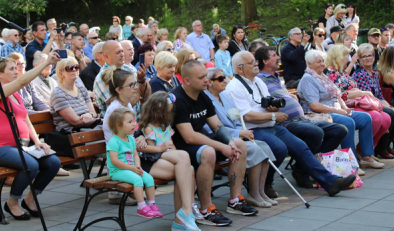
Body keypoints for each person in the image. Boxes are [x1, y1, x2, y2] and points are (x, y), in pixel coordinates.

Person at [224, 52, 359, 200]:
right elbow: (247, 116)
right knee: (280, 148)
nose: (256, 64)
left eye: (255, 61)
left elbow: (266, 103)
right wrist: (274, 115)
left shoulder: (257, 82)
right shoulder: (235, 87)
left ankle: (330, 182)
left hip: (271, 125)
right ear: (240, 69)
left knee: (301, 146)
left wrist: (274, 108)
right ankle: (263, 185)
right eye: (251, 63)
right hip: (253, 129)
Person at [102, 70, 200, 229]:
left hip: (140, 156)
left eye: (135, 83)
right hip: (129, 162)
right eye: (131, 84)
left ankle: (184, 216)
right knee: (185, 169)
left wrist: (139, 134)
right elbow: (122, 141)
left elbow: (134, 131)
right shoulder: (115, 110)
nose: (135, 87)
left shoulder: (126, 105)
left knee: (184, 163)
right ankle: (184, 215)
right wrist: (138, 136)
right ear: (119, 89)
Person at [170, 60, 257, 227]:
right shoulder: (179, 99)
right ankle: (206, 209)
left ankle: (235, 200)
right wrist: (221, 146)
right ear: (187, 81)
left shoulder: (202, 95)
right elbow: (189, 137)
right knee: (208, 152)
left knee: (239, 145)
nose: (206, 80)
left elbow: (217, 126)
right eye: (201, 77)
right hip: (179, 148)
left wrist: (230, 142)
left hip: (198, 143)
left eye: (206, 76)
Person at [253, 47, 347, 190]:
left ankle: (301, 168)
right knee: (315, 133)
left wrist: (290, 97)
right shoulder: (259, 80)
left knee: (339, 130)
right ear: (265, 61)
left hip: (301, 119)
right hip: (285, 122)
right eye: (274, 56)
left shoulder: (275, 77)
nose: (278, 58)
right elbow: (261, 103)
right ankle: (324, 179)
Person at [0, 54, 61, 221]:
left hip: (22, 147)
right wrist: (47, 63)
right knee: (30, 165)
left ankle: (30, 199)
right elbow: (22, 82)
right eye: (11, 69)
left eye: (16, 68)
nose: (16, 71)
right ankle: (12, 202)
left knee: (53, 162)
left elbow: (26, 121)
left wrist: (38, 142)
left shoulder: (16, 95)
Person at [202, 68, 277, 208]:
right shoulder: (205, 99)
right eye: (220, 78)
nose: (225, 80)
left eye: (224, 77)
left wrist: (242, 131)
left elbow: (235, 118)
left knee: (264, 146)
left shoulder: (224, 96)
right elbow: (210, 129)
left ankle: (260, 192)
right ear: (210, 82)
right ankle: (253, 194)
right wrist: (238, 134)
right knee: (254, 149)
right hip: (220, 141)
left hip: (235, 136)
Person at [298, 49, 384, 170]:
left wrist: (344, 108)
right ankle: (351, 163)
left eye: (323, 61)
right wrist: (339, 111)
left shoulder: (322, 76)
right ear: (309, 63)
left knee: (365, 118)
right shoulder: (308, 79)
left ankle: (366, 157)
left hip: (336, 110)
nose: (322, 64)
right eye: (318, 62)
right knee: (348, 122)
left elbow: (337, 95)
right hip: (319, 114)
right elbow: (314, 106)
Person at [325, 45, 392, 153]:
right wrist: (359, 93)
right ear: (339, 57)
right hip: (346, 105)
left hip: (357, 102)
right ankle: (363, 153)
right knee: (375, 117)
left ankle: (367, 151)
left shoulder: (342, 72)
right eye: (347, 55)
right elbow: (340, 96)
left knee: (386, 118)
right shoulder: (332, 74)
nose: (349, 58)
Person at [106, 108, 163, 218]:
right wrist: (131, 168)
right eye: (129, 122)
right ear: (118, 125)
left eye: (133, 121)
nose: (134, 124)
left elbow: (135, 154)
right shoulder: (114, 141)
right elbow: (115, 161)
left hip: (130, 168)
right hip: (117, 171)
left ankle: (151, 204)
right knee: (138, 180)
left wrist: (137, 166)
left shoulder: (130, 139)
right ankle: (141, 207)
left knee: (149, 178)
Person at [351, 44, 394, 160]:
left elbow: (379, 96)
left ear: (374, 57)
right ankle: (364, 150)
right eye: (364, 57)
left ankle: (375, 148)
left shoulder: (375, 74)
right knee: (389, 114)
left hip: (375, 104)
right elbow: (369, 98)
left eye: (370, 55)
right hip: (364, 106)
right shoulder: (360, 74)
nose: (368, 58)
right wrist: (392, 109)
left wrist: (391, 106)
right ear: (359, 59)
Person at [94, 41, 145, 116]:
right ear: (106, 57)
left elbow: (146, 94)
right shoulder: (102, 77)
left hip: (137, 120)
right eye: (118, 53)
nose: (122, 55)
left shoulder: (129, 69)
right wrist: (140, 86)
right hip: (118, 123)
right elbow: (123, 105)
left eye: (122, 51)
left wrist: (141, 81)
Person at [50, 57, 99, 132]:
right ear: (61, 73)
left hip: (88, 128)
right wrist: (93, 118)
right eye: (69, 68)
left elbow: (93, 113)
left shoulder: (82, 89)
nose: (74, 70)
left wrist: (90, 115)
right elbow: (75, 121)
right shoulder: (58, 94)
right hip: (71, 133)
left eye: (76, 67)